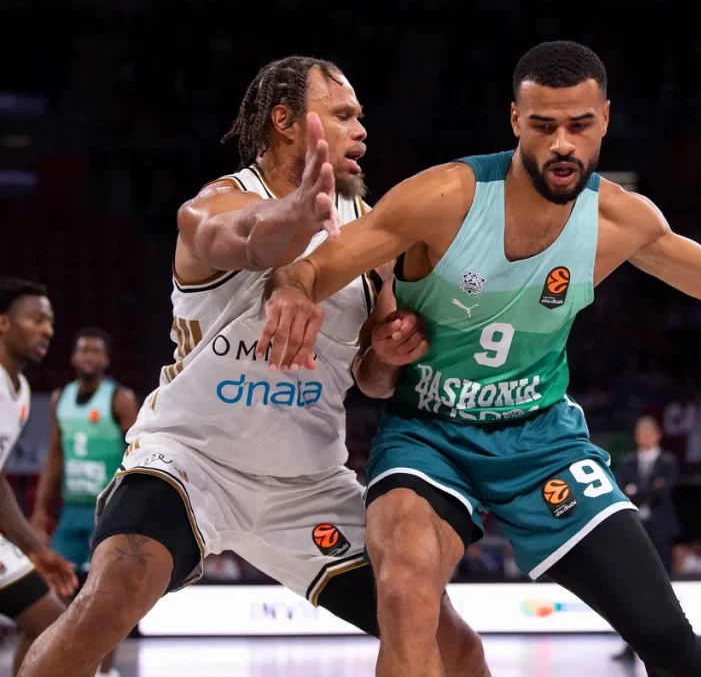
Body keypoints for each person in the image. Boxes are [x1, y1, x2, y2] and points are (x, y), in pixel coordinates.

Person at [258, 41, 701, 677]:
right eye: (543, 126)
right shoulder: (444, 196)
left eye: (579, 125)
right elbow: (310, 267)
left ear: (606, 121)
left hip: (540, 441)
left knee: (666, 636)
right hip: (428, 435)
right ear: (516, 122)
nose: (562, 142)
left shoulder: (622, 219)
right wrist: (289, 292)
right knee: (403, 591)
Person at [19, 57, 485, 677]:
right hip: (190, 463)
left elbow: (373, 380)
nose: (361, 130)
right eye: (343, 115)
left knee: (452, 646)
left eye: (361, 118)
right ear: (286, 121)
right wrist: (301, 212)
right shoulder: (214, 205)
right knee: (113, 595)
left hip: (307, 482)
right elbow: (250, 238)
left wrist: (392, 352)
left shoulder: (368, 236)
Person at [31, 328, 139, 677]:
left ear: (106, 360)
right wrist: (39, 511)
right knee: (58, 600)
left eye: (96, 351)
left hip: (107, 511)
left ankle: (104, 673)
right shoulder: (59, 398)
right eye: (83, 351)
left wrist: (132, 510)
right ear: (74, 358)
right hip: (71, 511)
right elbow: (54, 457)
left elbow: (140, 455)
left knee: (104, 602)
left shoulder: (119, 399)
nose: (89, 356)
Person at [0, 278, 78, 674]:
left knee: (56, 624)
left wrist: (36, 549)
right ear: (3, 323)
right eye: (37, 319)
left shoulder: (22, 391)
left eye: (50, 321)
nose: (48, 329)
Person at [612, 415, 678, 664]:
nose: (645, 436)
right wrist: (647, 490)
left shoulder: (668, 462)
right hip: (634, 530)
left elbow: (662, 491)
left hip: (660, 532)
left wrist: (637, 491)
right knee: (631, 589)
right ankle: (632, 646)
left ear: (658, 435)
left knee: (662, 588)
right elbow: (620, 490)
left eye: (650, 431)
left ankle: (668, 644)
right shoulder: (628, 462)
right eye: (641, 432)